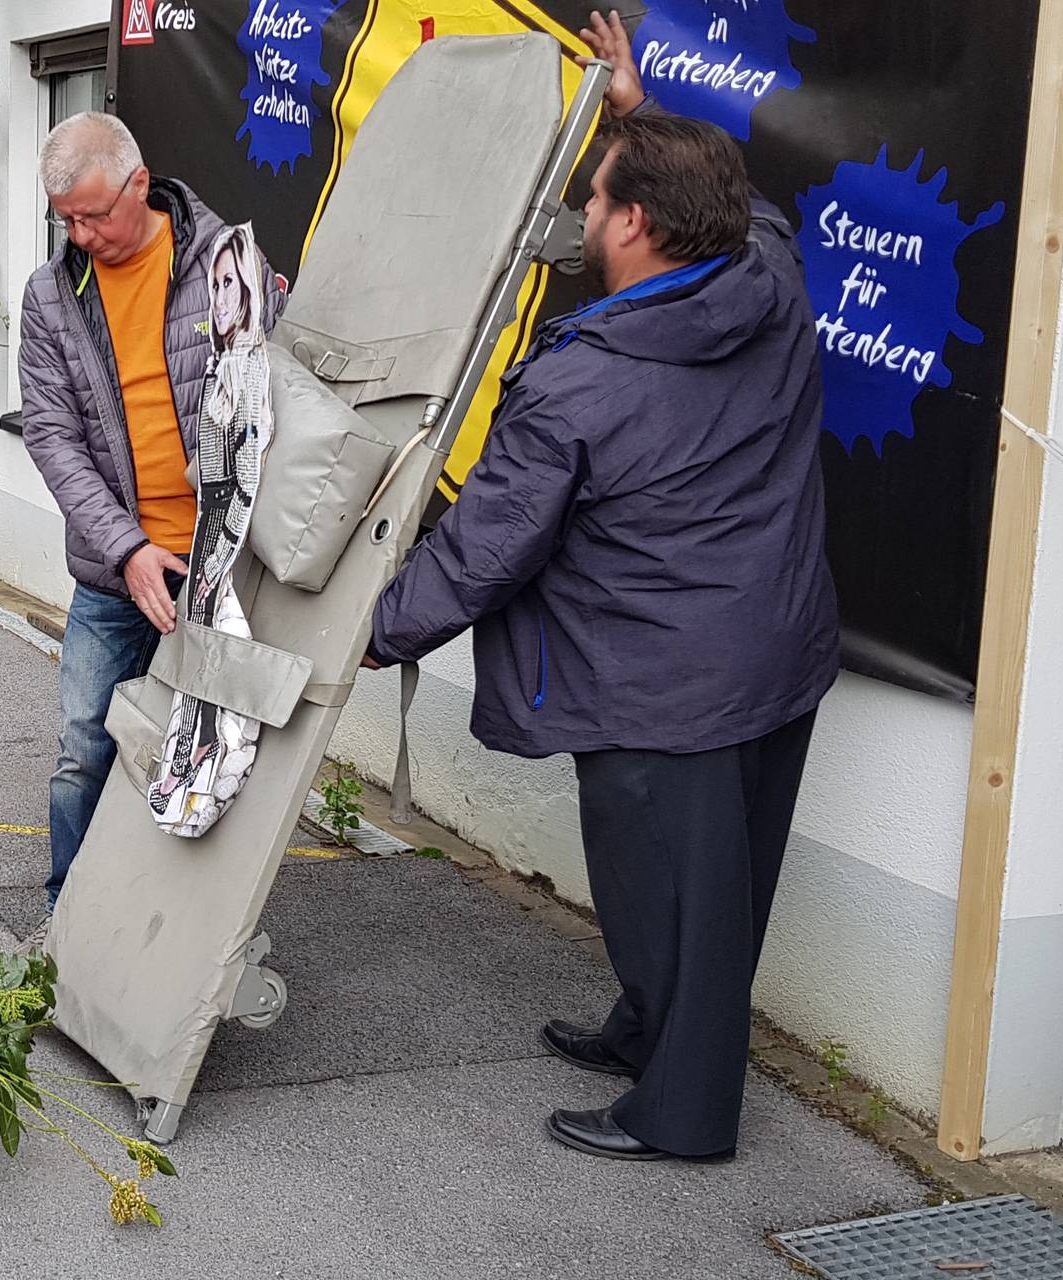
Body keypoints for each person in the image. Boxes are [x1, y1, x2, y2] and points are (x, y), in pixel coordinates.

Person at [363, 12, 840, 1163]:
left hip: (659, 683)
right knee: (714, 892)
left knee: (665, 897)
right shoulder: (768, 281)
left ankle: (680, 1115)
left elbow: (483, 550)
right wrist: (633, 111)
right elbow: (757, 205)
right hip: (772, 654)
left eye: (592, 194)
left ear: (632, 224)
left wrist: (367, 633)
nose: (579, 212)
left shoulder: (579, 384)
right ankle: (645, 1028)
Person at [18, 111, 285, 920]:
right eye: (66, 219)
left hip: (222, 568)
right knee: (85, 748)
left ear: (140, 184)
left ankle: (177, 935)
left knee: (219, 755)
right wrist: (128, 548)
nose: (83, 234)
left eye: (96, 214)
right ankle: (70, 923)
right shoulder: (50, 294)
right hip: (115, 574)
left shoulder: (224, 264)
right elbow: (52, 436)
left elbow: (282, 397)